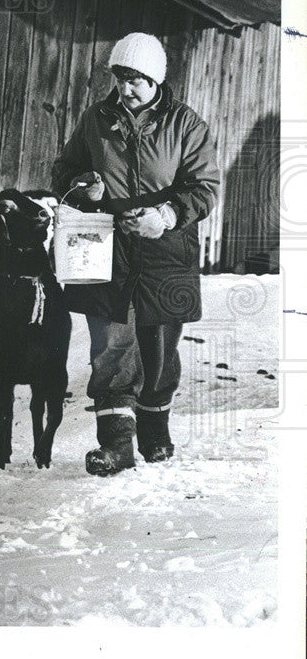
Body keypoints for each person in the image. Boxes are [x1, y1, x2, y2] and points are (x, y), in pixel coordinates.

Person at [52, 32, 219, 476]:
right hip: (106, 245)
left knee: (160, 343)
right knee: (111, 344)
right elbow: (63, 172)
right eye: (120, 78)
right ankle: (117, 445)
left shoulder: (185, 124)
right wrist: (84, 183)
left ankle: (155, 431)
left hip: (166, 246)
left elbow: (205, 188)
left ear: (156, 81)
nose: (125, 90)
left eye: (136, 81)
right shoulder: (95, 119)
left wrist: (166, 214)